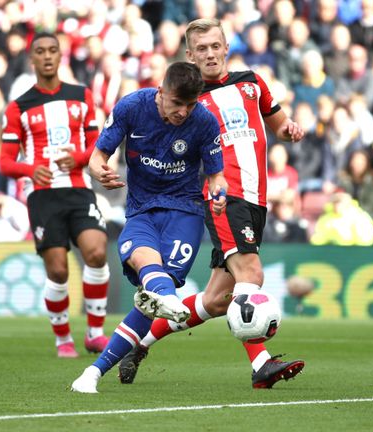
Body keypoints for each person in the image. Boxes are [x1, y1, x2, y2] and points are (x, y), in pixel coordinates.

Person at [117, 18, 306, 390]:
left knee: (217, 300)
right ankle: (261, 366)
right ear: (190, 55)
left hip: (257, 197)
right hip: (222, 197)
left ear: (226, 47)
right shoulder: (187, 101)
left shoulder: (251, 82)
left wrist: (289, 129)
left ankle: (138, 343)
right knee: (251, 274)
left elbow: (277, 121)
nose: (209, 54)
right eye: (201, 49)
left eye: (215, 46)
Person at [70, 61, 228, 393]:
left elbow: (216, 176)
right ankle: (168, 301)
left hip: (184, 213)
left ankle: (93, 373)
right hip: (140, 211)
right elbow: (97, 157)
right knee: (149, 277)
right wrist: (100, 171)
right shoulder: (132, 106)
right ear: (161, 92)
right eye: (177, 104)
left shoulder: (205, 121)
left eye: (190, 104)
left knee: (151, 295)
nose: (184, 112)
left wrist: (219, 193)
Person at [0, 32, 111, 359]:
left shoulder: (82, 96)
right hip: (43, 195)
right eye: (40, 52)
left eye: (52, 51)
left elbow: (96, 145)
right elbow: (5, 161)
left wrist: (78, 158)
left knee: (96, 251)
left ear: (60, 56)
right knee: (58, 270)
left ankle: (94, 333)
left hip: (78, 188)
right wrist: (30, 169)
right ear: (32, 59)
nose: (47, 56)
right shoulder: (18, 107)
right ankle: (63, 337)